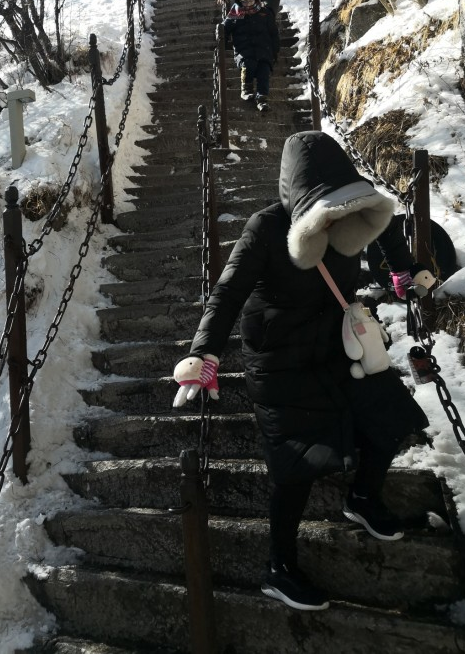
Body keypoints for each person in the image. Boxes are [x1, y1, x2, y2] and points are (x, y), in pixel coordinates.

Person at [173, 131, 431, 612]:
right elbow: (227, 293)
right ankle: (279, 565)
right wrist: (205, 353)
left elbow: (386, 226)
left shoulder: (354, 210)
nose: (340, 217)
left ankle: (362, 496)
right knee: (295, 465)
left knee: (392, 416)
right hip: (278, 360)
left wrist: (404, 269)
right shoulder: (266, 228)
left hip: (335, 344)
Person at [223, 0, 279, 110]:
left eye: (251, 0)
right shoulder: (234, 15)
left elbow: (273, 33)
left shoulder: (265, 12)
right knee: (249, 65)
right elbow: (225, 29)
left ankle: (262, 98)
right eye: (244, 1)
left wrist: (275, 50)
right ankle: (246, 89)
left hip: (264, 49)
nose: (248, 3)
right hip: (244, 50)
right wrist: (222, 40)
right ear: (239, 1)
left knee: (264, 71)